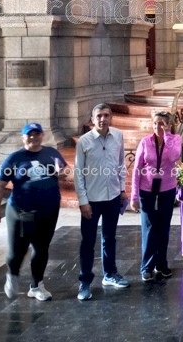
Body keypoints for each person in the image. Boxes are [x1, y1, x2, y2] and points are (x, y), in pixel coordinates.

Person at [0, 123, 67, 301]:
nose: (33, 137)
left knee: (41, 248)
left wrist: (60, 172)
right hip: (21, 211)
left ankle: (36, 285)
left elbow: (64, 170)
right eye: (29, 134)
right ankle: (12, 274)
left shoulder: (51, 153)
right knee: (18, 250)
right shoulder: (14, 158)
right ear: (23, 137)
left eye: (37, 134)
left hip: (48, 211)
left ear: (42, 135)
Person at [74, 103, 130, 300]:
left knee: (109, 238)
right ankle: (85, 282)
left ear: (111, 117)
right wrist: (83, 201)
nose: (102, 119)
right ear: (92, 119)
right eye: (99, 116)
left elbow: (121, 164)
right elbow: (78, 173)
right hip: (92, 200)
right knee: (88, 242)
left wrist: (122, 189)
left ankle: (110, 274)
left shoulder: (118, 135)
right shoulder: (84, 141)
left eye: (106, 115)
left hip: (112, 197)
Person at [130, 111, 183, 282]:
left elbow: (173, 156)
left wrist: (167, 135)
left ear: (169, 125)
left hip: (167, 190)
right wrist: (134, 196)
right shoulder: (145, 142)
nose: (157, 126)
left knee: (163, 228)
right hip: (147, 191)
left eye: (161, 123)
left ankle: (161, 264)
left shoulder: (176, 140)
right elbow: (137, 169)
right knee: (149, 228)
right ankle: (147, 266)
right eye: (155, 123)